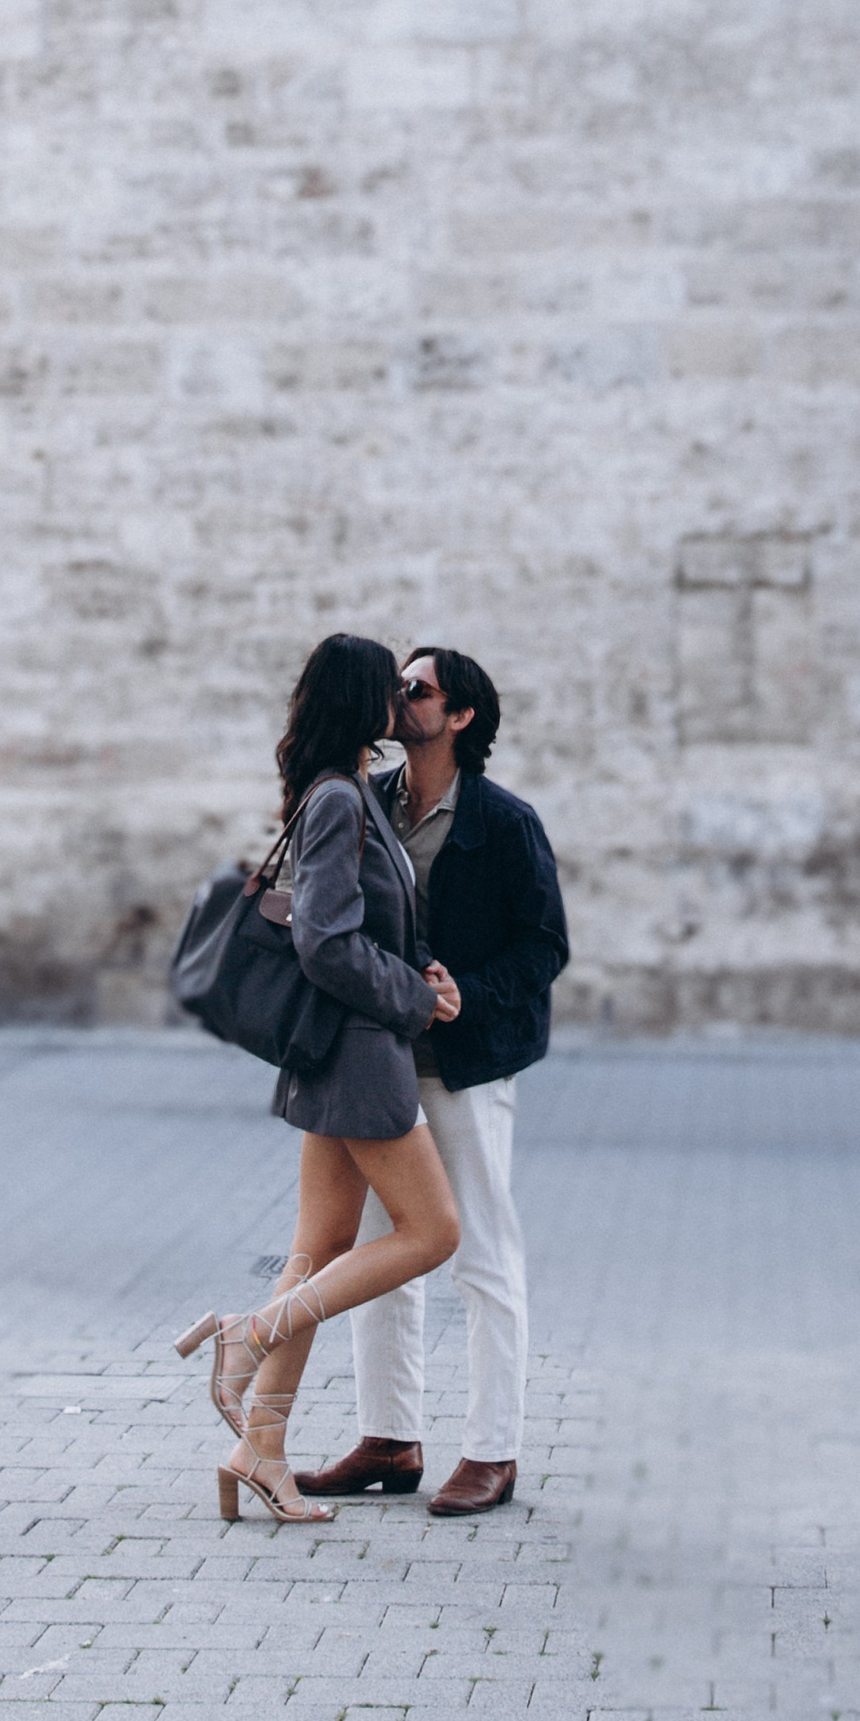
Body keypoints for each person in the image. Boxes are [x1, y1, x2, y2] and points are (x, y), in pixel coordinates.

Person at [173, 633, 465, 1524]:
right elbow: (329, 941)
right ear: (361, 699)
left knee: (320, 1248)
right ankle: (247, 1333)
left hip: (331, 1053)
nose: (400, 699)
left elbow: (365, 927)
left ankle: (260, 1447)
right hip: (358, 1056)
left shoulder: (335, 792)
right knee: (433, 1233)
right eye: (390, 686)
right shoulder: (341, 800)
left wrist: (425, 976)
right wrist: (410, 1003)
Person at [296, 646, 570, 1517]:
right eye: (398, 685)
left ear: (461, 717)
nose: (400, 697)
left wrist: (466, 996)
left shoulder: (504, 821)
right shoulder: (368, 802)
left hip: (467, 1062)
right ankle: (389, 1435)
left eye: (418, 688)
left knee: (482, 1254)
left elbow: (543, 947)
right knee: (385, 1254)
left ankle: (494, 1449)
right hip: (380, 1062)